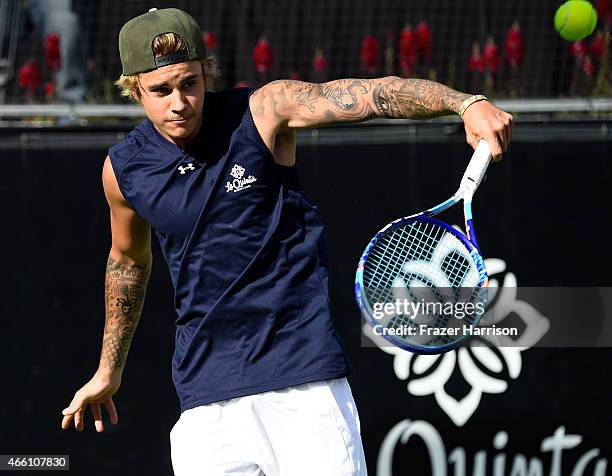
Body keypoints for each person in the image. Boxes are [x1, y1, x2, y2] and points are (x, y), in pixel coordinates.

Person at [60, 7, 513, 476]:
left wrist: (466, 102)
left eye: (189, 83)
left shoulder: (263, 111)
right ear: (135, 88)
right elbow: (128, 262)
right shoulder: (123, 169)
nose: (180, 101)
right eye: (161, 90)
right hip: (206, 399)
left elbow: (372, 95)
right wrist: (108, 370)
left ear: (205, 74)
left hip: (304, 387)